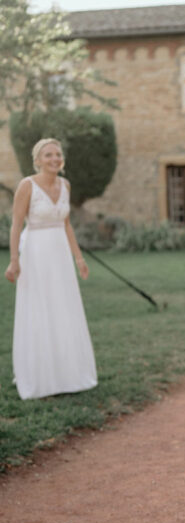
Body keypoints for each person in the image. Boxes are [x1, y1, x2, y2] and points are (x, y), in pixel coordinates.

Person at [4, 138, 97, 400]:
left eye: (57, 154)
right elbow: (16, 224)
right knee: (39, 309)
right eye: (48, 155)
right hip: (35, 254)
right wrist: (14, 259)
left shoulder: (65, 185)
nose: (54, 159)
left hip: (60, 256)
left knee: (64, 309)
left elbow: (66, 225)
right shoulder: (27, 185)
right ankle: (40, 377)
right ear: (37, 160)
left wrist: (79, 259)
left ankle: (69, 374)